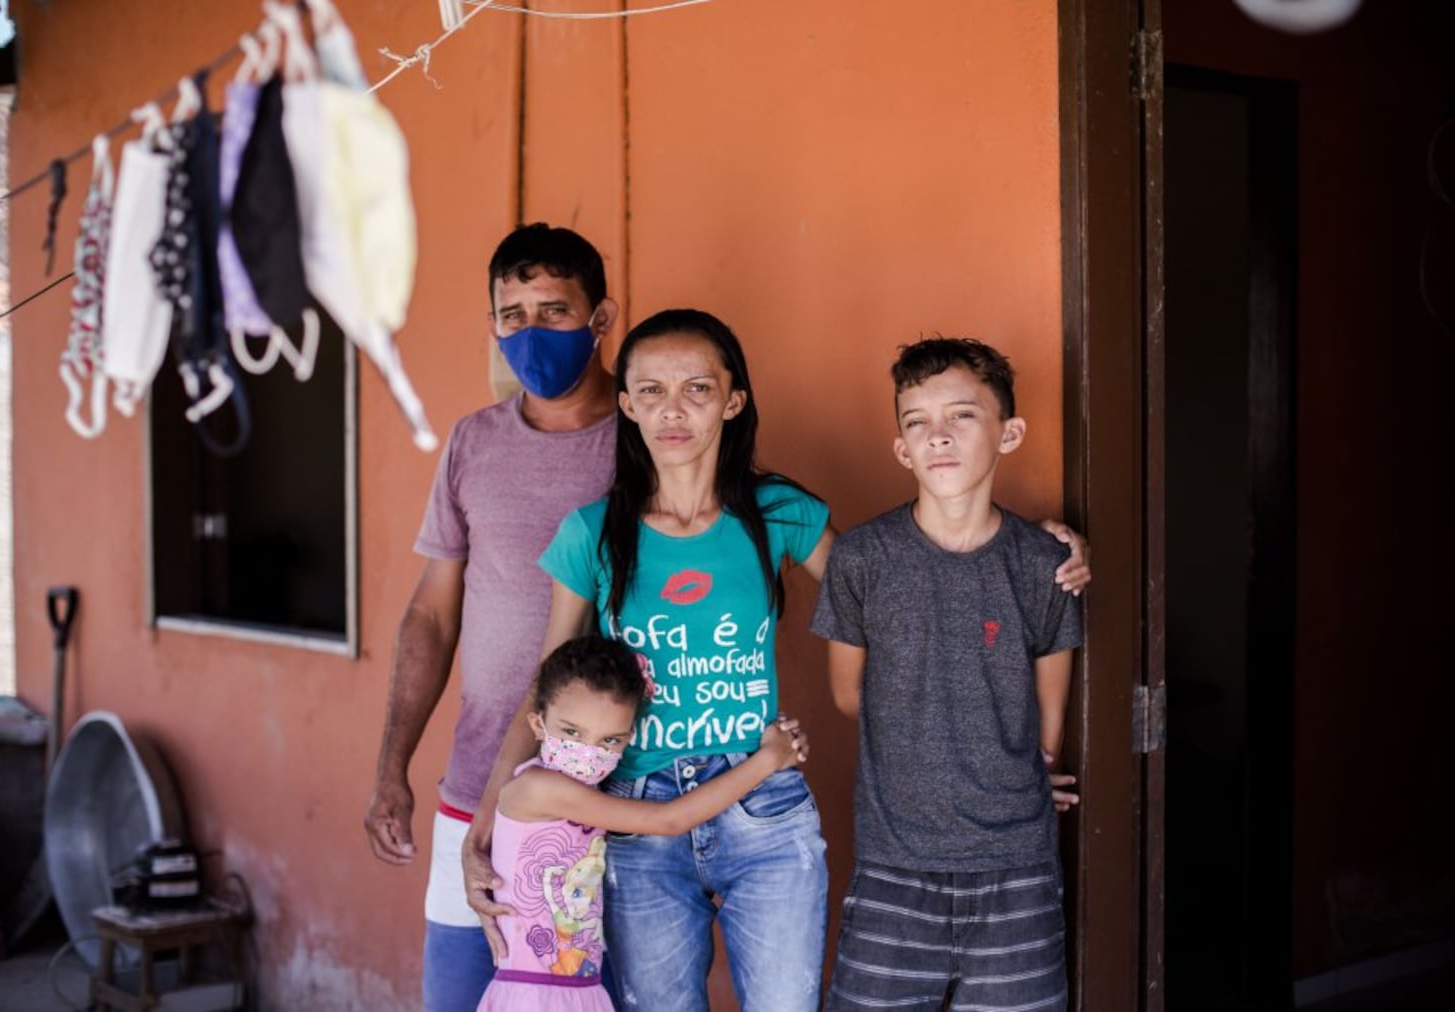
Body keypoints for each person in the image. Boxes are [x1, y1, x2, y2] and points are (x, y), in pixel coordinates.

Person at [469, 312, 1090, 1010]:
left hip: (763, 807)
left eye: (698, 387)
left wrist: (1038, 553)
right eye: (650, 390)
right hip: (637, 814)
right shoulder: (593, 533)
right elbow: (548, 688)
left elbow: (895, 590)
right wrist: (490, 815)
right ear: (627, 403)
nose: (672, 409)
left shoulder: (779, 512)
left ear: (734, 400)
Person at [364, 223, 621, 1012]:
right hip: (476, 790)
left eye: (554, 310)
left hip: (616, 798)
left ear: (601, 319)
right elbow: (432, 618)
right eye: (513, 314)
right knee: (461, 995)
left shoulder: (653, 441)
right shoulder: (474, 443)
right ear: (492, 325)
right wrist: (390, 769)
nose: (531, 332)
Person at [811, 337, 1082, 1011]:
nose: (938, 437)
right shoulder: (863, 559)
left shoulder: (1044, 561)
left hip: (1015, 870)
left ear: (1008, 433)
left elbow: (1047, 721)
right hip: (892, 867)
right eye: (917, 423)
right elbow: (850, 696)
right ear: (901, 448)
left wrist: (1013, 773)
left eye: (961, 416)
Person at [475, 635, 809, 1012]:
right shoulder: (538, 788)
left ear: (629, 739)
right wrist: (767, 760)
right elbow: (669, 820)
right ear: (538, 723)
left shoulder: (588, 789)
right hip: (535, 995)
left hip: (580, 988)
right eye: (571, 732)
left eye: (609, 740)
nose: (588, 751)